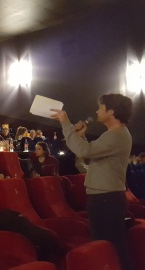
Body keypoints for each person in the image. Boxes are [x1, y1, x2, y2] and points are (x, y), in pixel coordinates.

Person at [51, 93, 133, 270]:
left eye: (100, 107)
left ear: (111, 111)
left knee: (108, 249)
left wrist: (66, 124)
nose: (97, 111)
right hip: (107, 198)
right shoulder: (114, 134)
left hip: (106, 199)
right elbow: (89, 156)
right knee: (112, 247)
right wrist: (80, 137)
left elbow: (85, 152)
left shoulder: (116, 135)